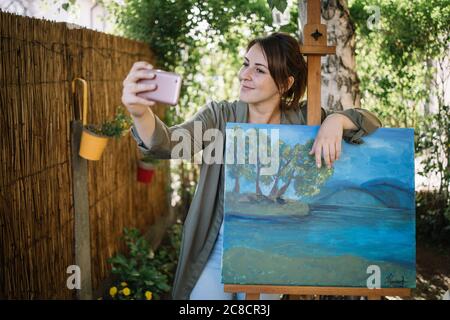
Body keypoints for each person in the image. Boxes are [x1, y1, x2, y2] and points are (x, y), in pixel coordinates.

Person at [121, 32, 382, 300]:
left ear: (284, 82)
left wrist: (336, 121)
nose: (244, 74)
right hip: (217, 251)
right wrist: (140, 112)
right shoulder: (220, 116)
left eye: (258, 70)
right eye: (245, 64)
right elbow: (169, 143)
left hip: (273, 253)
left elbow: (370, 122)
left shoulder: (305, 120)